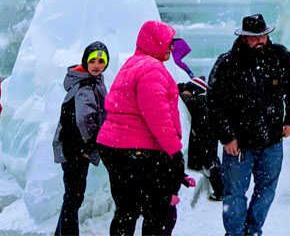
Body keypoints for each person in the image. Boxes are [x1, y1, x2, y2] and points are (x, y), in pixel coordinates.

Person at [207, 13, 290, 236]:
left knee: (266, 189)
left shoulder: (280, 56)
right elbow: (214, 103)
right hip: (239, 144)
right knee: (234, 193)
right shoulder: (227, 63)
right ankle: (235, 233)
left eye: (263, 35)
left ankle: (253, 231)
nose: (260, 40)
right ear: (244, 38)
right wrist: (227, 135)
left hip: (271, 140)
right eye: (254, 37)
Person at [96, 21, 185, 236]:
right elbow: (158, 117)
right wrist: (175, 151)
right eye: (167, 43)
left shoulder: (133, 64)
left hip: (114, 146)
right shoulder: (152, 70)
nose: (171, 48)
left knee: (127, 209)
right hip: (137, 150)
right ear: (155, 42)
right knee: (159, 211)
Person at [52, 41, 109, 236]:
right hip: (75, 148)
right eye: (93, 60)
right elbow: (85, 119)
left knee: (71, 197)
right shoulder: (86, 85)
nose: (97, 65)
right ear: (85, 61)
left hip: (72, 147)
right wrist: (89, 145)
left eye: (101, 61)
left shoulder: (91, 81)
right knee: (73, 198)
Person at [178, 75, 223, 202]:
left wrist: (182, 92)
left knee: (211, 163)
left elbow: (186, 99)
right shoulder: (207, 99)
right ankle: (222, 188)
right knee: (212, 161)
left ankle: (220, 190)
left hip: (206, 138)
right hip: (209, 137)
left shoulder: (200, 101)